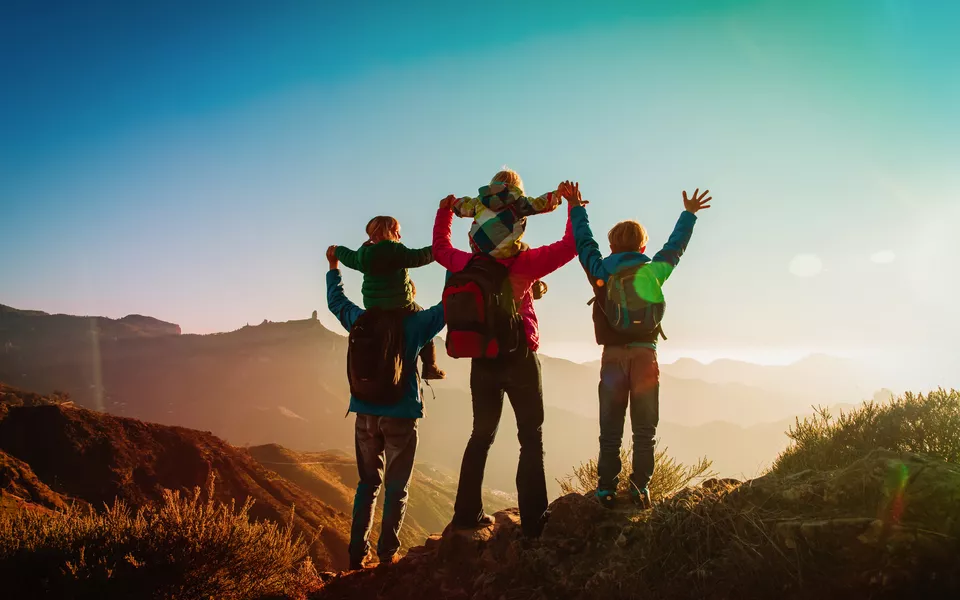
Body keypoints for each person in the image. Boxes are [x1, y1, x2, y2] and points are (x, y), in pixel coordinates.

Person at [434, 183, 577, 537]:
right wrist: (573, 207)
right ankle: (532, 522)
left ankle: (466, 516)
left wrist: (444, 212)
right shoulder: (524, 263)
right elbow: (570, 246)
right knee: (531, 437)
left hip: (482, 360)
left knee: (480, 436)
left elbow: (440, 249)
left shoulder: (466, 262)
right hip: (519, 359)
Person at [565, 182, 712, 509]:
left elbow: (584, 242)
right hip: (646, 357)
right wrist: (688, 215)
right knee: (644, 430)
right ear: (643, 244)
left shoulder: (601, 270)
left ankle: (605, 489)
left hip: (613, 359)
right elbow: (675, 248)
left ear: (612, 244)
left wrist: (576, 207)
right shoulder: (653, 272)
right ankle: (640, 489)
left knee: (611, 432)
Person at [325, 245, 446, 569]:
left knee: (367, 485)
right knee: (397, 487)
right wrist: (454, 265)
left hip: (364, 414)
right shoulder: (415, 324)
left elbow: (336, 302)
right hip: (401, 416)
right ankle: (386, 555)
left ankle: (356, 557)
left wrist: (334, 267)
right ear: (403, 283)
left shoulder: (359, 319)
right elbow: (446, 308)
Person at [331, 216, 445, 379]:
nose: (400, 236)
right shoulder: (396, 251)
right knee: (424, 323)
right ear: (388, 233)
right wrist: (440, 249)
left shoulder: (362, 256)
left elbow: (348, 257)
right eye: (397, 232)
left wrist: (336, 252)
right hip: (401, 305)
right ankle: (430, 366)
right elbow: (420, 256)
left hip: (373, 307)